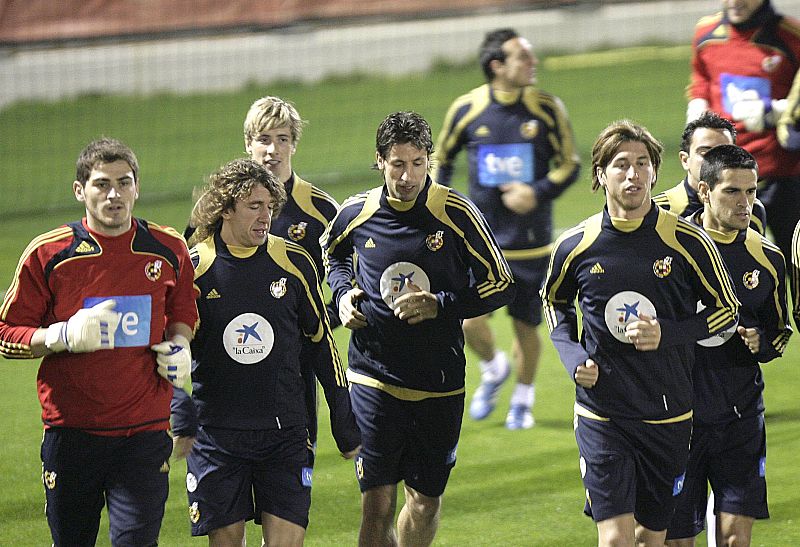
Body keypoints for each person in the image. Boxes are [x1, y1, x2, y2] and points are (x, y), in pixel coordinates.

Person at [540, 120, 740, 545]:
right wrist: (574, 358)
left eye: (642, 164)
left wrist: (667, 334)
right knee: (615, 538)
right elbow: (554, 303)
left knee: (652, 536)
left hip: (668, 413)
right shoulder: (576, 244)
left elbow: (727, 310)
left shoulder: (687, 241)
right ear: (601, 174)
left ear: (654, 171)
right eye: (621, 165)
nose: (633, 174)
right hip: (603, 413)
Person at [323, 111, 514, 546]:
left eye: (417, 163)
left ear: (430, 160)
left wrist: (442, 305)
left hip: (438, 382)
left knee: (424, 503)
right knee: (377, 504)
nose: (407, 176)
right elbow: (332, 253)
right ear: (379, 161)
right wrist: (344, 293)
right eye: (397, 164)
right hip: (373, 376)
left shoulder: (456, 213)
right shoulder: (356, 212)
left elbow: (502, 283)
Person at [0, 137, 199, 546]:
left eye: (124, 183)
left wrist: (181, 345)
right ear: (80, 190)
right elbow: (6, 334)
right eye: (102, 184)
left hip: (145, 433)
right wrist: (61, 335)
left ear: (137, 188)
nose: (114, 195)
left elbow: (183, 312)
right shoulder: (49, 254)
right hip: (72, 435)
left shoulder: (168, 249)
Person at [171, 158, 360, 545]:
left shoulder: (293, 261)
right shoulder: (194, 268)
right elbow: (169, 351)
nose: (265, 217)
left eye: (270, 207)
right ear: (226, 209)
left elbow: (322, 343)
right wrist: (177, 409)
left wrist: (343, 419)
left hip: (285, 433)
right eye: (254, 206)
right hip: (217, 437)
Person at [433, 27, 580, 429]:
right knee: (467, 321)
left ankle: (522, 400)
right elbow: (441, 159)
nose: (533, 63)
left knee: (526, 326)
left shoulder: (546, 108)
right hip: (480, 244)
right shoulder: (466, 109)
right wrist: (439, 207)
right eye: (523, 57)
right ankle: (495, 367)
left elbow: (570, 164)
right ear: (497, 65)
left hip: (531, 246)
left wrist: (537, 192)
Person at [182, 95, 342, 460]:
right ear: (248, 143)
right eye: (264, 139)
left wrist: (316, 323)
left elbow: (348, 274)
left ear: (294, 144)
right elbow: (188, 272)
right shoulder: (214, 207)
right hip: (225, 369)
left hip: (294, 371)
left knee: (292, 472)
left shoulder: (321, 210)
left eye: (282, 139)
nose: (273, 150)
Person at [664, 144, 791, 546]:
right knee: (676, 539)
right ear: (704, 191)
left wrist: (761, 342)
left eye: (751, 191)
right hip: (677, 416)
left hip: (740, 415)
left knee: (736, 539)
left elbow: (780, 329)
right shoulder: (671, 249)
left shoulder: (767, 257)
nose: (745, 202)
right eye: (732, 191)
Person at [687, 0, 800, 260]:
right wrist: (696, 112)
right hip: (725, 177)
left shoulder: (792, 37)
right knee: (730, 263)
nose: (735, 2)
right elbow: (700, 83)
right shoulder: (706, 34)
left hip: (782, 176)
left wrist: (775, 112)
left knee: (795, 261)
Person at [654, 111, 767, 234]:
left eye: (724, 153)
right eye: (705, 153)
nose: (715, 161)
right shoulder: (660, 211)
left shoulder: (752, 210)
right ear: (685, 160)